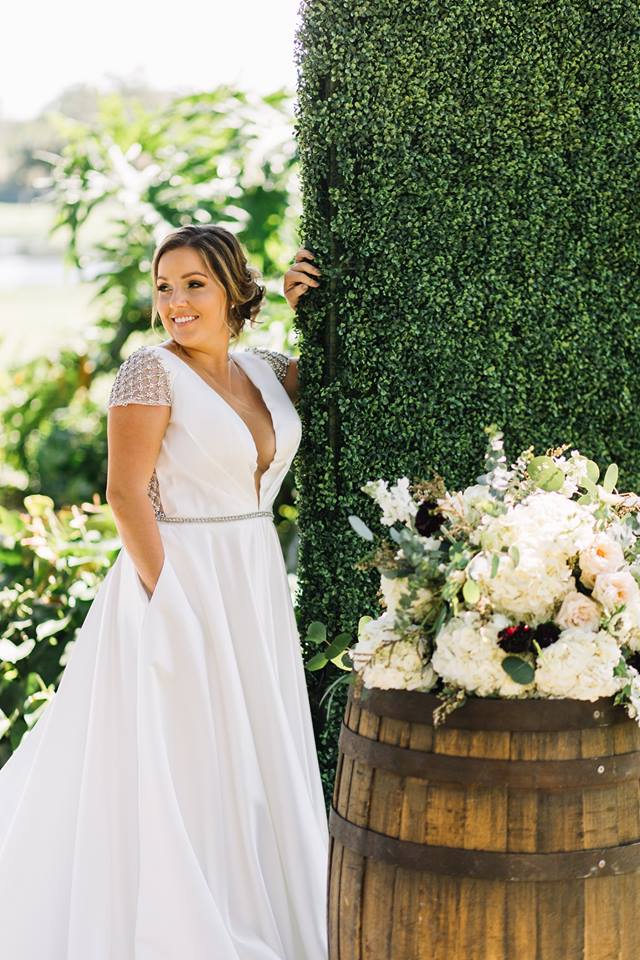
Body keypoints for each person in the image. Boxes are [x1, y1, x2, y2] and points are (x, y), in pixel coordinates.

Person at [0, 224, 325, 959]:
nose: (175, 302)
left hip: (252, 579)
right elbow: (124, 495)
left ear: (236, 290)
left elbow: (333, 379)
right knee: (183, 757)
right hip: (178, 580)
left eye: (194, 285)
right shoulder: (149, 372)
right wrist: (169, 598)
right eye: (164, 287)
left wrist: (309, 312)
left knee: (253, 747)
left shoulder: (268, 370)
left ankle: (267, 902)